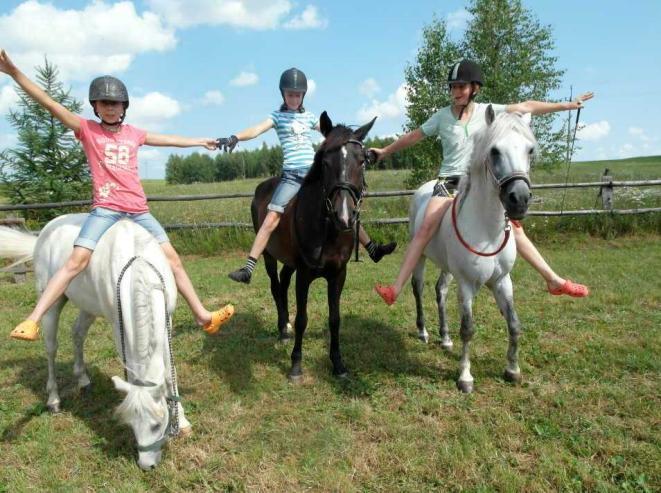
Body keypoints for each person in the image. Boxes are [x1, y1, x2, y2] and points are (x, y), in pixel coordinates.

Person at [0, 49, 234, 341]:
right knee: (76, 261)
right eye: (104, 103)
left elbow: (168, 139)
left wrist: (200, 141)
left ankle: (203, 315)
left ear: (124, 106)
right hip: (106, 210)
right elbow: (49, 103)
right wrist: (15, 74)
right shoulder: (86, 130)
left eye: (116, 103)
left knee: (173, 260)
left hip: (138, 211)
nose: (110, 108)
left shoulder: (134, 134)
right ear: (95, 107)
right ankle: (33, 319)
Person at [373, 59, 593, 305]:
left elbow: (527, 106)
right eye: (452, 87)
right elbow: (413, 136)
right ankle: (396, 288)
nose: (455, 92)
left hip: (477, 182)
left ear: (474, 89)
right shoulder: (441, 117)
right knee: (424, 229)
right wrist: (384, 151)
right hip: (448, 181)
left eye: (461, 87)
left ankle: (554, 280)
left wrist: (567, 105)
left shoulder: (488, 110)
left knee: (515, 230)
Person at [219, 67, 396, 284]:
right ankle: (249, 266)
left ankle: (372, 249)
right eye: (290, 94)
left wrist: (358, 147)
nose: (294, 98)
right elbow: (256, 130)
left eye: (297, 94)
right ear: (283, 94)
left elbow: (333, 137)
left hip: (314, 173)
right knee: (271, 216)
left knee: (343, 205)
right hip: (292, 176)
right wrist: (236, 137)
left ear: (303, 96)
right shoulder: (277, 117)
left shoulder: (310, 117)